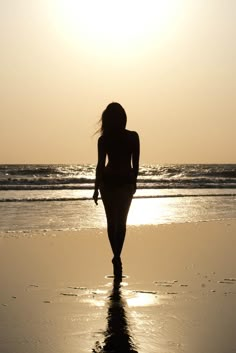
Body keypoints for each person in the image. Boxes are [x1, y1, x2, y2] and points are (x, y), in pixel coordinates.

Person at [93, 102, 140, 277]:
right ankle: (117, 255)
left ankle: (116, 255)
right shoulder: (132, 137)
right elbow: (135, 165)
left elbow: (100, 165)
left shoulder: (104, 139)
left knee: (112, 222)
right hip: (124, 182)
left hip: (109, 182)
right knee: (121, 223)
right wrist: (134, 182)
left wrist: (96, 188)